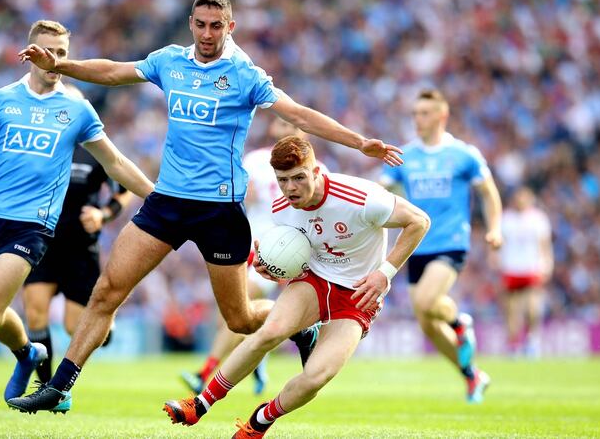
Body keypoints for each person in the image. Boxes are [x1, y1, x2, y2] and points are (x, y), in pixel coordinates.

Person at [8, 0, 402, 415]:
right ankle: (59, 387)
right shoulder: (169, 61)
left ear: (230, 27)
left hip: (219, 211)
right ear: (191, 24)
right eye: (200, 24)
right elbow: (113, 72)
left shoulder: (245, 74)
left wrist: (359, 142)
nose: (207, 33)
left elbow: (299, 114)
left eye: (216, 26)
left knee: (240, 320)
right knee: (107, 292)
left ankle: (299, 328)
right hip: (167, 202)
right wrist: (60, 65)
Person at [0, 20, 154, 429]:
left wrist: (160, 197)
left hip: (32, 227)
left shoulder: (76, 109)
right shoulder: (1, 100)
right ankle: (27, 354)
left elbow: (116, 163)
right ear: (28, 53)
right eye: (47, 51)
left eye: (61, 52)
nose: (54, 59)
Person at [162, 135, 430, 437]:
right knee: (269, 333)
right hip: (314, 281)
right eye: (283, 180)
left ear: (316, 172)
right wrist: (271, 266)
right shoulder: (281, 207)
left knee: (317, 376)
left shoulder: (360, 198)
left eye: (299, 178)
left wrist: (385, 273)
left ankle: (260, 421)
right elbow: (297, 251)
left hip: (357, 295)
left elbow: (419, 221)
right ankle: (200, 404)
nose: (290, 188)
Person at [179, 118, 326, 396]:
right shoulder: (256, 161)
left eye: (292, 126)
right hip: (248, 244)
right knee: (231, 316)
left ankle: (204, 374)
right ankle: (258, 362)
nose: (287, 130)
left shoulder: (317, 170)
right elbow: (233, 195)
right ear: (273, 129)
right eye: (281, 124)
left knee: (241, 307)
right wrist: (242, 193)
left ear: (303, 132)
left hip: (281, 253)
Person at [380, 89, 503, 403]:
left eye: (424, 113)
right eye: (415, 113)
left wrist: (495, 228)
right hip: (415, 245)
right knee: (427, 323)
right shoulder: (405, 155)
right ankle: (472, 375)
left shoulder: (464, 155)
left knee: (426, 300)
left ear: (441, 115)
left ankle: (460, 322)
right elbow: (380, 191)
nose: (417, 119)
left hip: (451, 242)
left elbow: (488, 192)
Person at [22, 84, 133, 383]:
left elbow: (124, 191)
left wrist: (102, 214)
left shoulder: (95, 148)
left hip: (80, 247)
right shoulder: (39, 145)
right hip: (42, 241)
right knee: (35, 313)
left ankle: (105, 326)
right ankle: (45, 386)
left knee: (76, 327)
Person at [498, 186, 552, 358]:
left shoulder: (538, 219)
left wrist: (548, 264)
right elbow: (498, 243)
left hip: (532, 268)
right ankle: (513, 343)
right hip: (511, 268)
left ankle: (532, 341)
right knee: (512, 310)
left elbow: (545, 244)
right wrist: (496, 259)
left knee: (532, 308)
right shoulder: (506, 219)